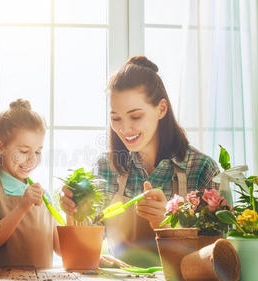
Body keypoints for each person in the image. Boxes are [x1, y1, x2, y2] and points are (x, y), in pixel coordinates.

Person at [60, 56, 220, 267]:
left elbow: (219, 256)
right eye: (116, 118)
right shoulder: (106, 167)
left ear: (161, 109)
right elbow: (85, 246)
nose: (124, 129)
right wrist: (73, 210)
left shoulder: (202, 170)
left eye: (135, 117)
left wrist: (169, 225)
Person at [0, 99, 60, 268]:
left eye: (38, 151)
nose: (32, 159)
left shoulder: (44, 195)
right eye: (24, 151)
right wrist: (22, 207)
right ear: (0, 146)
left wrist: (73, 212)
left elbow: (60, 248)